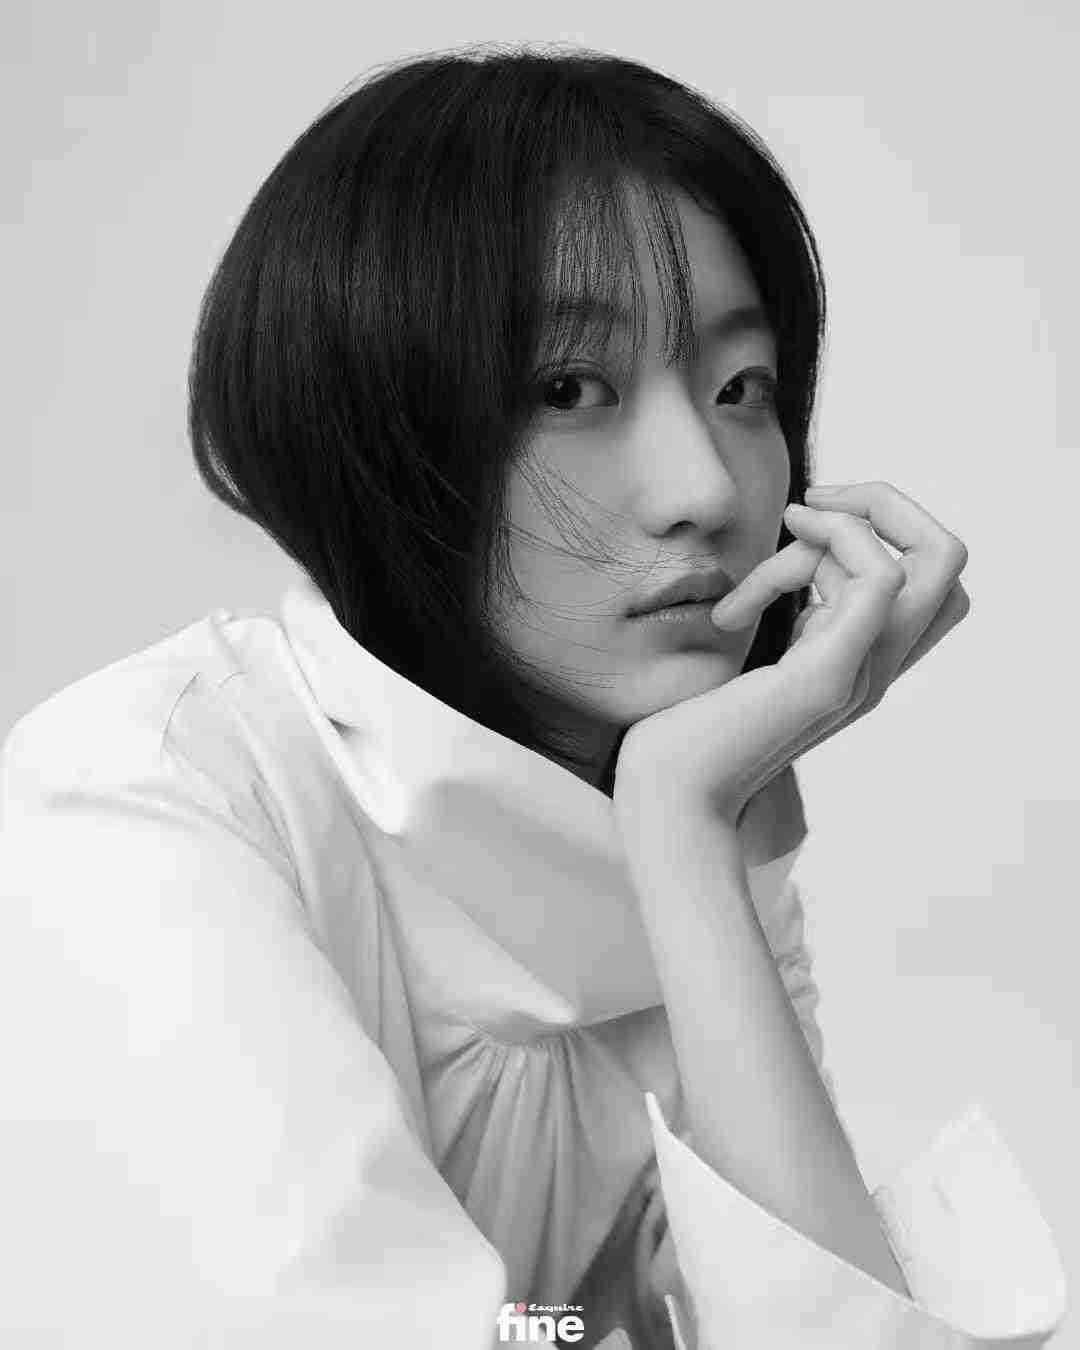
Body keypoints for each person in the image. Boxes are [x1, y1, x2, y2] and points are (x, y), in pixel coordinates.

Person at [0, 42, 1067, 1350]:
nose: (707, 490)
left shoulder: (685, 812)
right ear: (375, 427)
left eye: (741, 389)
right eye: (570, 389)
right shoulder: (147, 799)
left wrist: (684, 823)